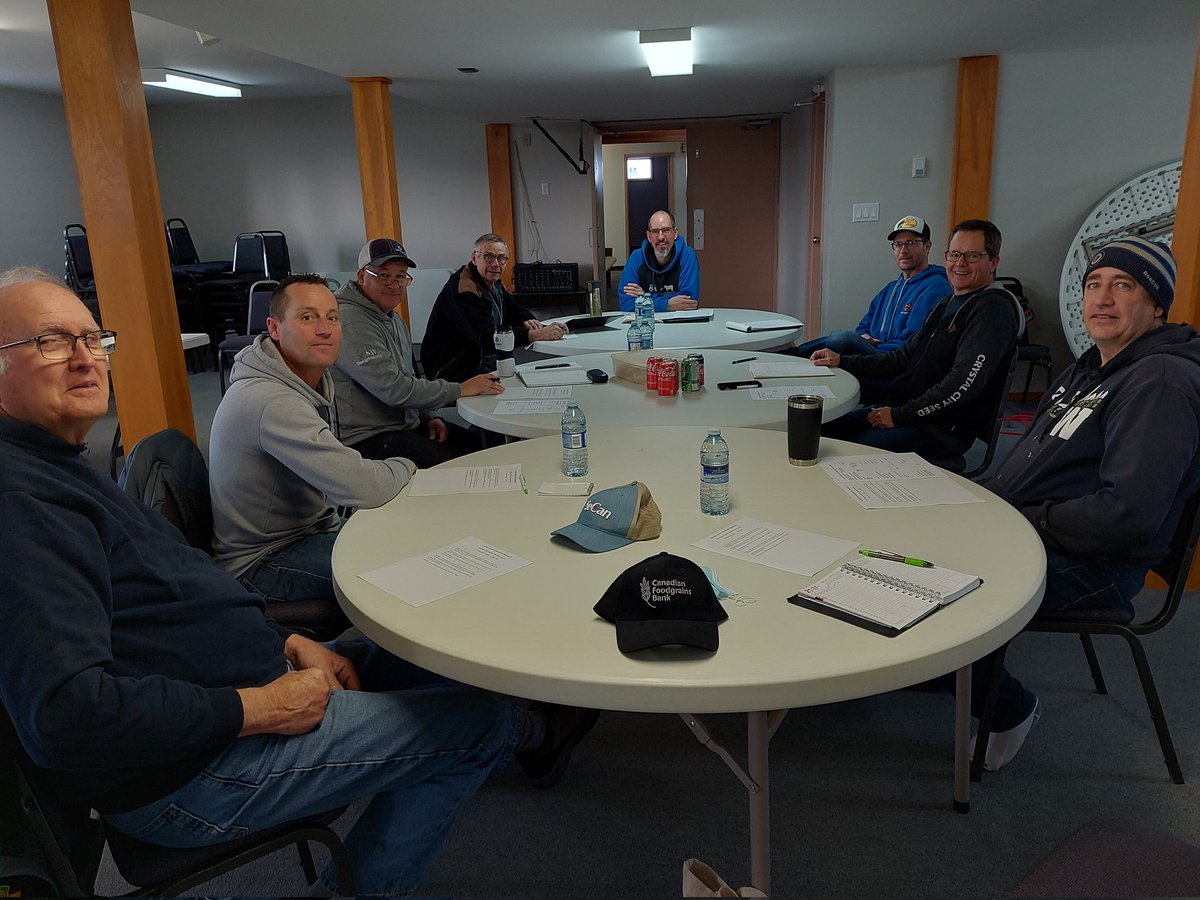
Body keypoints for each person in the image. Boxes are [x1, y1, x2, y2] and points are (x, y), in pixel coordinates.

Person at [0, 267, 596, 896]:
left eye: (93, 339)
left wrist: (285, 643)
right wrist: (257, 706)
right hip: (192, 775)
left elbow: (170, 601)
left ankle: (515, 729)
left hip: (249, 680)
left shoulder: (58, 461)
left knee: (432, 651)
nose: (84, 358)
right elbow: (65, 716)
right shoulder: (21, 503)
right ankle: (522, 737)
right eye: (50, 342)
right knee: (475, 725)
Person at [965, 236, 1200, 771]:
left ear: (1157, 305)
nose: (1102, 298)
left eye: (1124, 285)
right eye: (1094, 284)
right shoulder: (1094, 364)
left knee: (940, 599)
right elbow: (1030, 459)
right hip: (1028, 527)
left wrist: (1023, 519)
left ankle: (1010, 710)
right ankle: (934, 671)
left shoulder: (1161, 384)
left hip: (1095, 562)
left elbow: (1127, 516)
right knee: (904, 545)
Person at [209, 273, 415, 606]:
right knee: (405, 571)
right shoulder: (272, 401)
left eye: (332, 318)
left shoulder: (299, 379)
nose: (324, 329)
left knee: (408, 541)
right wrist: (409, 467)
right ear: (274, 328)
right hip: (263, 562)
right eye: (307, 318)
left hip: (308, 530)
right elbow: (363, 487)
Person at [814, 219, 1021, 468]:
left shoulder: (992, 309)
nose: (960, 263)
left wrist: (898, 416)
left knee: (835, 455)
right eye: (954, 254)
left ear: (993, 262)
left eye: (973, 255)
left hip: (939, 430)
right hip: (908, 411)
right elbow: (903, 357)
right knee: (816, 429)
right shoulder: (948, 303)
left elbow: (962, 385)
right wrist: (842, 361)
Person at [332, 238, 504, 465]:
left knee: (476, 447)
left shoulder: (392, 318)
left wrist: (430, 415)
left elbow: (409, 376)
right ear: (362, 276)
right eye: (383, 275)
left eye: (400, 276)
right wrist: (461, 389)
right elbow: (394, 390)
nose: (394, 284)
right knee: (463, 465)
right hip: (368, 438)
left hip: (402, 424)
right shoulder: (350, 321)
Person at [791, 214, 950, 357]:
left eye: (911, 243)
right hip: (872, 355)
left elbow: (913, 342)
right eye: (898, 244)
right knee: (840, 340)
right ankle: (790, 356)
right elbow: (863, 326)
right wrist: (864, 337)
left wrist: (869, 346)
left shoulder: (936, 287)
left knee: (843, 339)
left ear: (927, 246)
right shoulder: (890, 289)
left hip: (893, 360)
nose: (903, 250)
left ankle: (790, 355)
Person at [422, 233, 566, 384]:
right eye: (489, 257)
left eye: (502, 258)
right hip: (454, 371)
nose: (496, 264)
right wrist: (535, 335)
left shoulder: (491, 280)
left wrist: (526, 318)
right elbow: (486, 337)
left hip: (482, 361)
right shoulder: (463, 290)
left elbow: (511, 308)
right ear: (474, 258)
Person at [618, 210, 701, 312]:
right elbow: (626, 303)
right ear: (649, 236)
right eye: (655, 232)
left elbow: (689, 302)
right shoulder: (636, 258)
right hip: (646, 321)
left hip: (679, 320)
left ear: (675, 233)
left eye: (666, 230)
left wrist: (645, 298)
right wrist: (667, 305)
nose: (661, 237)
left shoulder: (687, 256)